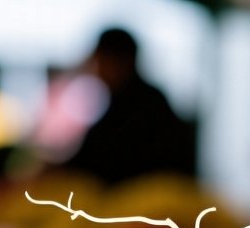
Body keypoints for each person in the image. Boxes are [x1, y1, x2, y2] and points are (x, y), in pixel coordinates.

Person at [64, 28, 195, 185]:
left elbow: (99, 160)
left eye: (99, 61)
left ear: (119, 61)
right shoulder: (140, 100)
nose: (96, 71)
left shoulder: (140, 106)